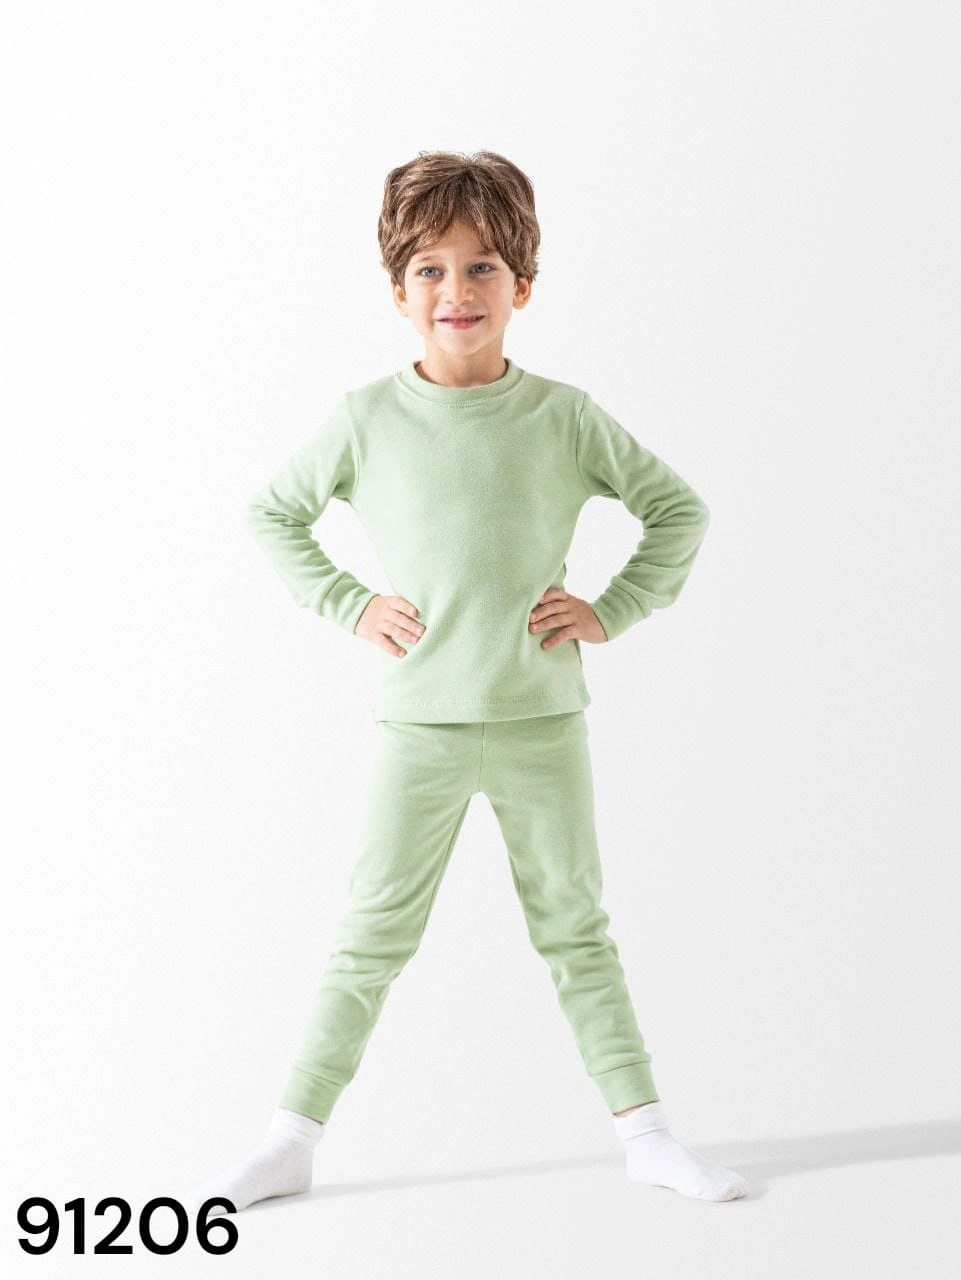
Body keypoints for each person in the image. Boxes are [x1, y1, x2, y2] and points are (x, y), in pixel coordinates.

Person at [189, 150, 748, 1212]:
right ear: (398, 291)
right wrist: (349, 602)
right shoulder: (365, 419)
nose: (458, 290)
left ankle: (647, 1135)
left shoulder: (564, 416)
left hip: (542, 720)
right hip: (420, 729)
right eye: (431, 270)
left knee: (575, 929)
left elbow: (678, 510)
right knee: (370, 935)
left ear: (521, 286)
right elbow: (271, 513)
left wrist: (613, 607)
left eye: (483, 266)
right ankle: (289, 1139)